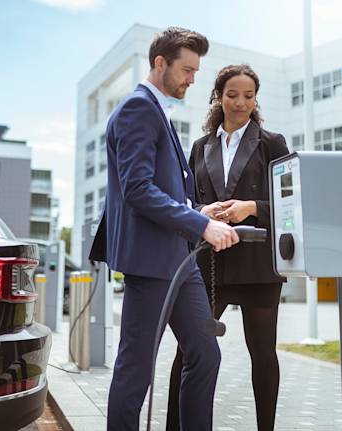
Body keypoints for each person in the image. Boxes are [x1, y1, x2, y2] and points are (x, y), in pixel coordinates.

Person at [89, 27, 240, 430]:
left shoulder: (158, 111)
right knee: (136, 371)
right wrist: (200, 225)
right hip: (152, 263)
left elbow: (162, 190)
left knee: (205, 354)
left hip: (180, 262)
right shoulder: (138, 108)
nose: (193, 79)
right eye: (187, 70)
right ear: (160, 63)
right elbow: (138, 189)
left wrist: (198, 210)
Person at [166, 64, 290, 431]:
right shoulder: (200, 147)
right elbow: (184, 202)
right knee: (189, 352)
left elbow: (290, 205)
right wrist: (203, 212)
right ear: (218, 97)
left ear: (256, 99)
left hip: (258, 265)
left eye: (249, 96)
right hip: (210, 266)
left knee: (263, 355)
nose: (241, 103)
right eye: (232, 95)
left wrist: (249, 208)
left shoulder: (272, 143)